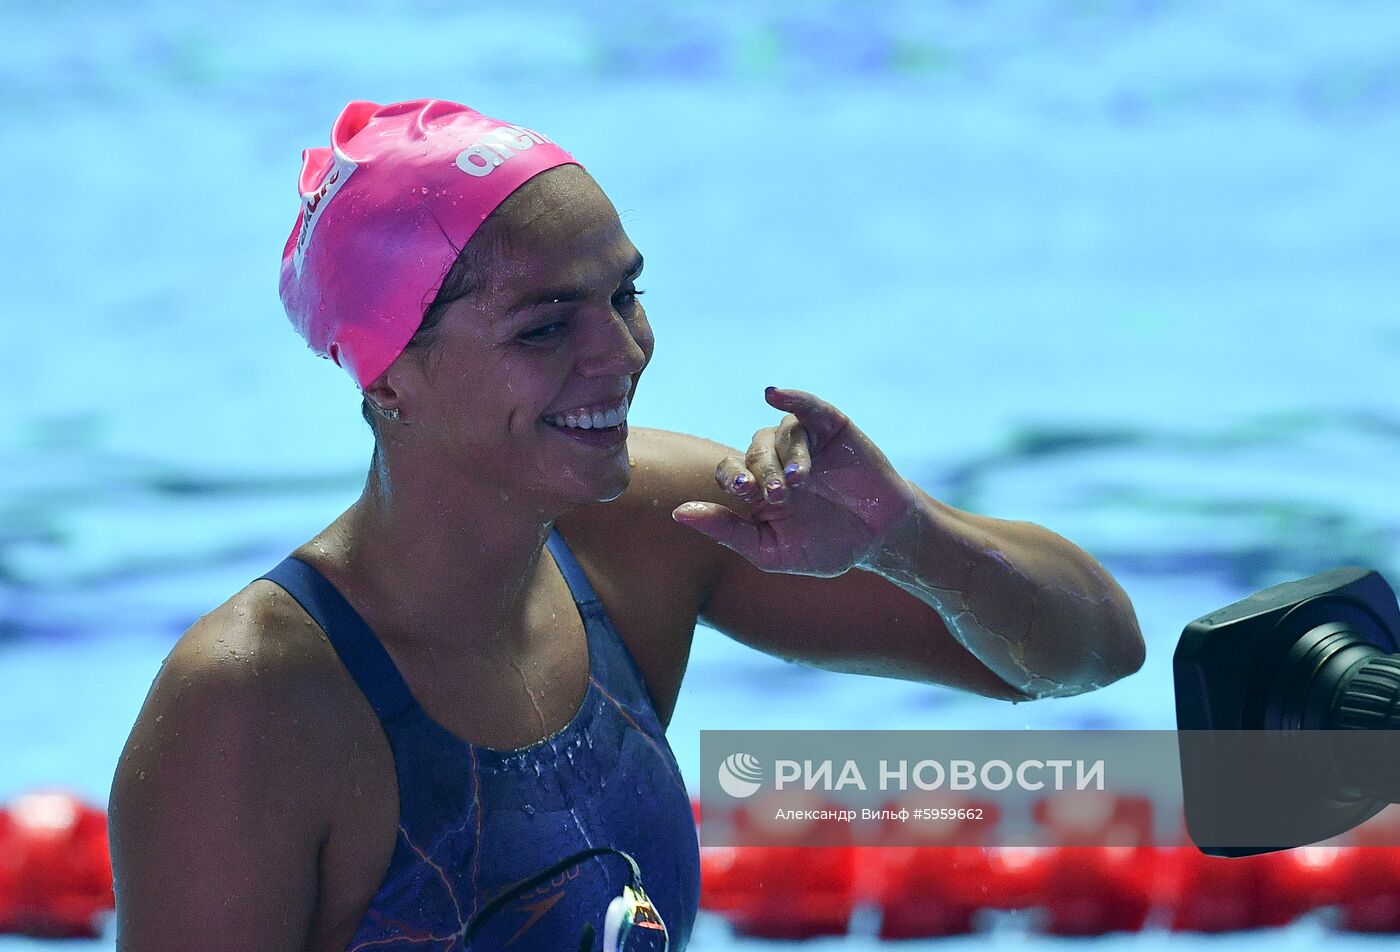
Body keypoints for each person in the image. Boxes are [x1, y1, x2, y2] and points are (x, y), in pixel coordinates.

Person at [108, 99, 1145, 951]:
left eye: (625, 293)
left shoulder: (645, 529)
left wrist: (909, 541)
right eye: (546, 323)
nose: (621, 353)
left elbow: (1086, 649)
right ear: (390, 378)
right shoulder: (252, 706)